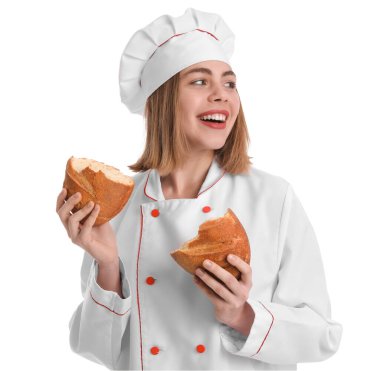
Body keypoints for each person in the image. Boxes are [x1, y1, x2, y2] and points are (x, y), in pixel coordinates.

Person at [56, 8, 343, 370]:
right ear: (162, 100)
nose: (222, 95)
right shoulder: (119, 205)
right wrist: (108, 265)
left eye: (230, 83)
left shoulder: (272, 198)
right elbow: (96, 350)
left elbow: (322, 336)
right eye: (199, 81)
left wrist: (241, 315)